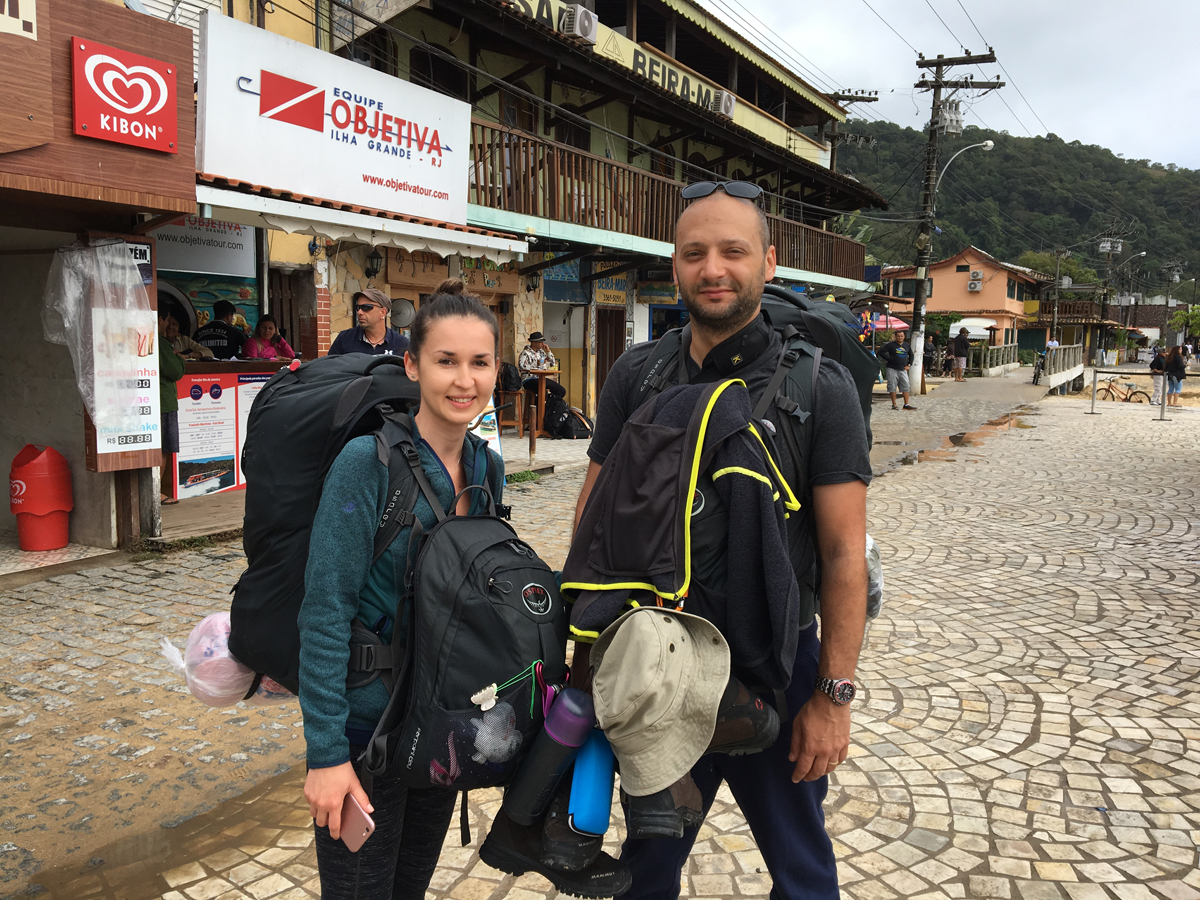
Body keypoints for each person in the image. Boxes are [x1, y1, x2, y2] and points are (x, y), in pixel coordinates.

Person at [572, 181, 870, 900]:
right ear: (672, 266)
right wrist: (581, 654)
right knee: (646, 871)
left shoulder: (819, 387)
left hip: (778, 662)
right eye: (695, 252)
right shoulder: (636, 376)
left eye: (733, 251)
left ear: (767, 263)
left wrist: (833, 697)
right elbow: (591, 521)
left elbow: (842, 556)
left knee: (802, 872)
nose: (714, 268)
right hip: (658, 663)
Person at [299, 280, 505, 900]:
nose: (463, 380)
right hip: (367, 737)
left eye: (479, 362)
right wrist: (326, 755)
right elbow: (325, 612)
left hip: (440, 726)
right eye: (446, 361)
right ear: (412, 364)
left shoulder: (486, 467)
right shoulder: (368, 464)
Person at [158, 309, 186, 505]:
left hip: (154, 401)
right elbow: (174, 371)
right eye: (166, 320)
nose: (168, 325)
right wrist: (180, 360)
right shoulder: (160, 342)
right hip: (163, 401)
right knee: (163, 448)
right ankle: (156, 492)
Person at [328, 288, 409, 356]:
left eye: (366, 307)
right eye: (358, 307)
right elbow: (329, 370)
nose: (359, 312)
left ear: (382, 312)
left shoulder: (401, 344)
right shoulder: (344, 339)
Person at [518, 331, 566, 399]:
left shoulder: (541, 352)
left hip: (540, 378)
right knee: (542, 391)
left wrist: (548, 352)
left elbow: (552, 363)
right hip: (528, 379)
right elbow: (521, 366)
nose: (543, 344)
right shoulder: (525, 353)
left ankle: (550, 406)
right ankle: (540, 407)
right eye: (540, 342)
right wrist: (535, 366)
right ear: (534, 343)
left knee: (561, 391)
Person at [880, 334, 915, 410]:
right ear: (895, 337)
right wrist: (889, 359)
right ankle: (894, 404)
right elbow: (881, 352)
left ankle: (906, 404)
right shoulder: (891, 345)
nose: (900, 337)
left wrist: (909, 364)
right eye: (898, 336)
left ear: (904, 337)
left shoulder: (906, 345)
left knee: (906, 386)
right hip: (892, 368)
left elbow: (911, 355)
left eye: (901, 336)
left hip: (903, 369)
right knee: (892, 386)